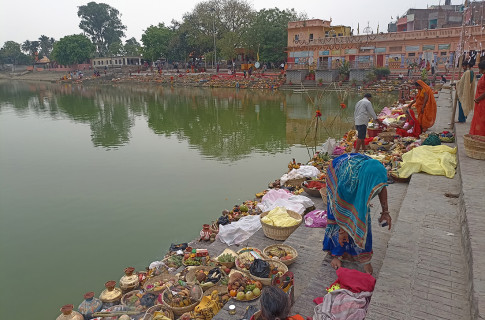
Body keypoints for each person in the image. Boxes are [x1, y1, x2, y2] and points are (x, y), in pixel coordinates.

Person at [323, 153, 391, 275]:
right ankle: (336, 254)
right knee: (336, 217)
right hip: (338, 174)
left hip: (358, 170)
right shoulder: (346, 182)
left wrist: (385, 212)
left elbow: (382, 188)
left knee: (362, 216)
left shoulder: (376, 170)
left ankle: (364, 258)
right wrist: (343, 231)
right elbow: (340, 210)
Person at [470, 60, 485, 136]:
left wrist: (477, 99)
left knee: (482, 121)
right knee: (478, 119)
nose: (479, 70)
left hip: (482, 102)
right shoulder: (483, 76)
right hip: (479, 102)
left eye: (480, 69)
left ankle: (481, 136)